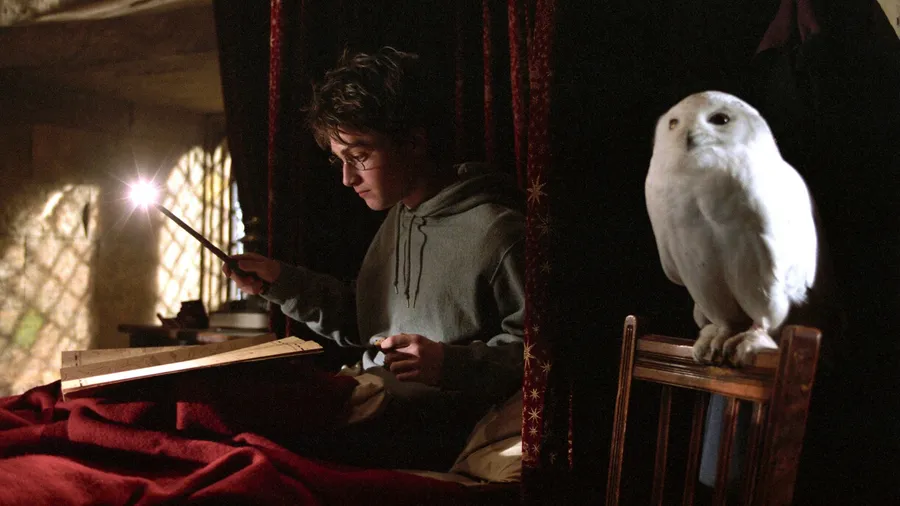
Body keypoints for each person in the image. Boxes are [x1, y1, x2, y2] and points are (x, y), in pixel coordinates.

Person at [224, 47, 525, 470]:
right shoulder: (399, 218)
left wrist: (448, 364)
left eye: (359, 156)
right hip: (369, 396)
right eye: (340, 160)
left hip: (422, 427)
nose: (347, 178)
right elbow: (365, 323)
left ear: (414, 142)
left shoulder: (497, 231)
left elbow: (541, 357)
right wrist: (280, 280)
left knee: (251, 449)